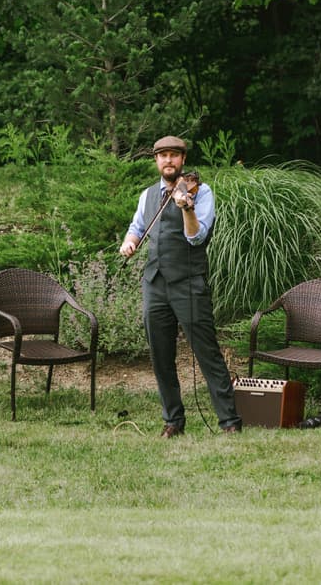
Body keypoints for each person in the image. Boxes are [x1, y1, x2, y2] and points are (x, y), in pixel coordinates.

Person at [119, 135, 242, 437]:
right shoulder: (148, 195)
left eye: (174, 155)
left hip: (188, 282)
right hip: (154, 283)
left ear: (183, 159)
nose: (169, 161)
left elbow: (196, 237)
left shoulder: (201, 192)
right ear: (156, 161)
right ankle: (173, 420)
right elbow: (138, 226)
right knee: (161, 355)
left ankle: (229, 421)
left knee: (206, 352)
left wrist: (186, 208)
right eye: (163, 156)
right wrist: (130, 242)